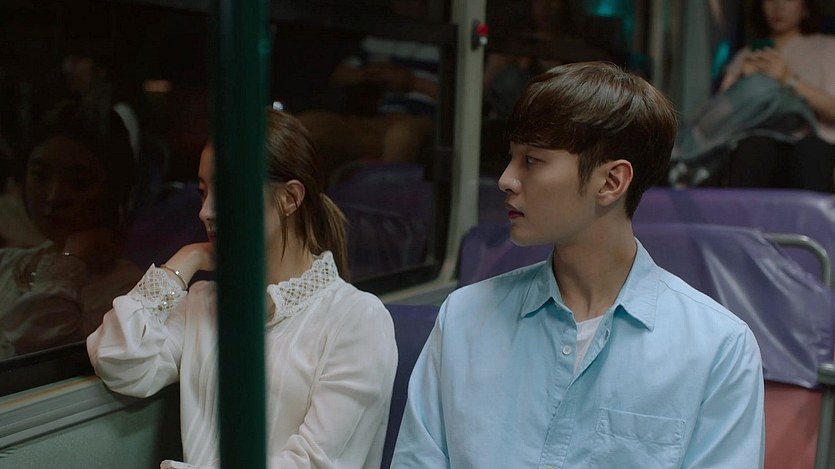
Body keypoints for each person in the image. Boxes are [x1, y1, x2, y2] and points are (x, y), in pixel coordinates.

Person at [392, 62, 764, 467]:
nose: (505, 179)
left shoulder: (717, 348)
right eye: (511, 157)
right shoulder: (464, 317)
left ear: (611, 182)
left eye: (531, 160)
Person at [87, 106, 398, 468]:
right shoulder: (204, 302)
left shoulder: (357, 318)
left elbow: (315, 463)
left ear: (290, 198)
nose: (205, 212)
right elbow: (119, 363)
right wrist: (187, 260)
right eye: (203, 192)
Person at [0, 100, 141, 358]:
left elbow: (33, 355)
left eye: (78, 182)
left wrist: (73, 257)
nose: (53, 197)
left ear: (113, 190)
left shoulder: (127, 292)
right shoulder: (8, 264)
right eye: (40, 176)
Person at [297, 0, 438, 174]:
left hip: (420, 121)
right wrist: (370, 74)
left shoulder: (441, 40)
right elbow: (340, 76)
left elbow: (459, 97)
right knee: (309, 124)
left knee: (401, 134)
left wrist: (412, 82)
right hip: (372, 120)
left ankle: (384, 189)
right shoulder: (379, 37)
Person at [719, 0, 835, 191]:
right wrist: (744, 84)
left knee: (810, 152)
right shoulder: (747, 54)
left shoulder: (828, 48)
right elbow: (720, 117)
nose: (779, 6)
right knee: (753, 147)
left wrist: (788, 79)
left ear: (805, 6)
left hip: (813, 152)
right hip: (755, 150)